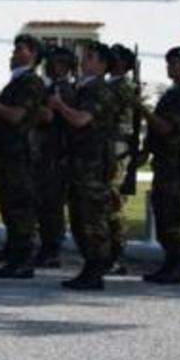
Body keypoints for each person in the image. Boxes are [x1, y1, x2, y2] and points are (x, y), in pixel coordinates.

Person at [0, 34, 46, 278]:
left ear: (33, 54)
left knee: (20, 207)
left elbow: (16, 115)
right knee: (8, 204)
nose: (13, 54)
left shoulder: (31, 83)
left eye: (20, 49)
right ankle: (14, 254)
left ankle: (23, 260)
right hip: (8, 152)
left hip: (21, 155)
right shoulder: (17, 81)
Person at [48, 42, 117, 290]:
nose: (83, 60)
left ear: (101, 65)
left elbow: (81, 120)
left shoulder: (98, 90)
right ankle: (89, 266)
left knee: (92, 217)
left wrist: (60, 106)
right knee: (79, 216)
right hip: (79, 162)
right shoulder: (83, 88)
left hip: (93, 164)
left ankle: (96, 268)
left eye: (89, 57)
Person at [136, 46, 180, 285]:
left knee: (172, 215)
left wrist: (142, 110)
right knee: (162, 212)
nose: (170, 67)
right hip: (164, 162)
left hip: (176, 163)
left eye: (175, 64)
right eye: (169, 63)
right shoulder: (172, 93)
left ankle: (177, 263)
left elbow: (166, 128)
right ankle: (170, 262)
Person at [32, 46, 76, 269]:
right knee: (44, 203)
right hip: (47, 152)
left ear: (64, 66)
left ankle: (52, 249)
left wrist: (33, 109)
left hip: (56, 154)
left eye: (54, 63)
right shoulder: (53, 88)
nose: (48, 66)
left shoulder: (63, 90)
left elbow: (50, 117)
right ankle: (47, 246)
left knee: (52, 205)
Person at [105, 44, 138, 274]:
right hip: (107, 146)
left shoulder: (123, 87)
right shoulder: (110, 85)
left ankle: (115, 254)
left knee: (114, 203)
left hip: (117, 148)